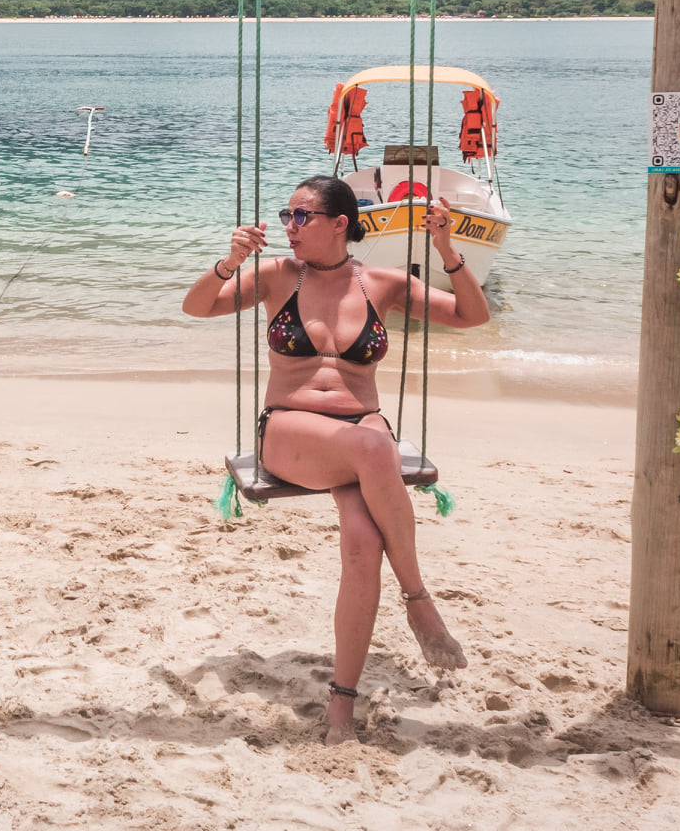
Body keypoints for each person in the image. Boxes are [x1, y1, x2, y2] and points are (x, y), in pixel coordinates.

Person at [182, 174, 489, 745]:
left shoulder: (385, 283)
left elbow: (472, 316)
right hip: (292, 431)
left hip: (360, 436)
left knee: (364, 544)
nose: (289, 228)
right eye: (287, 216)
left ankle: (341, 707)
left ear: (339, 224)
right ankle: (419, 601)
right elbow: (197, 308)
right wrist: (229, 262)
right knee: (376, 447)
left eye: (302, 217)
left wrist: (446, 250)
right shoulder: (276, 275)